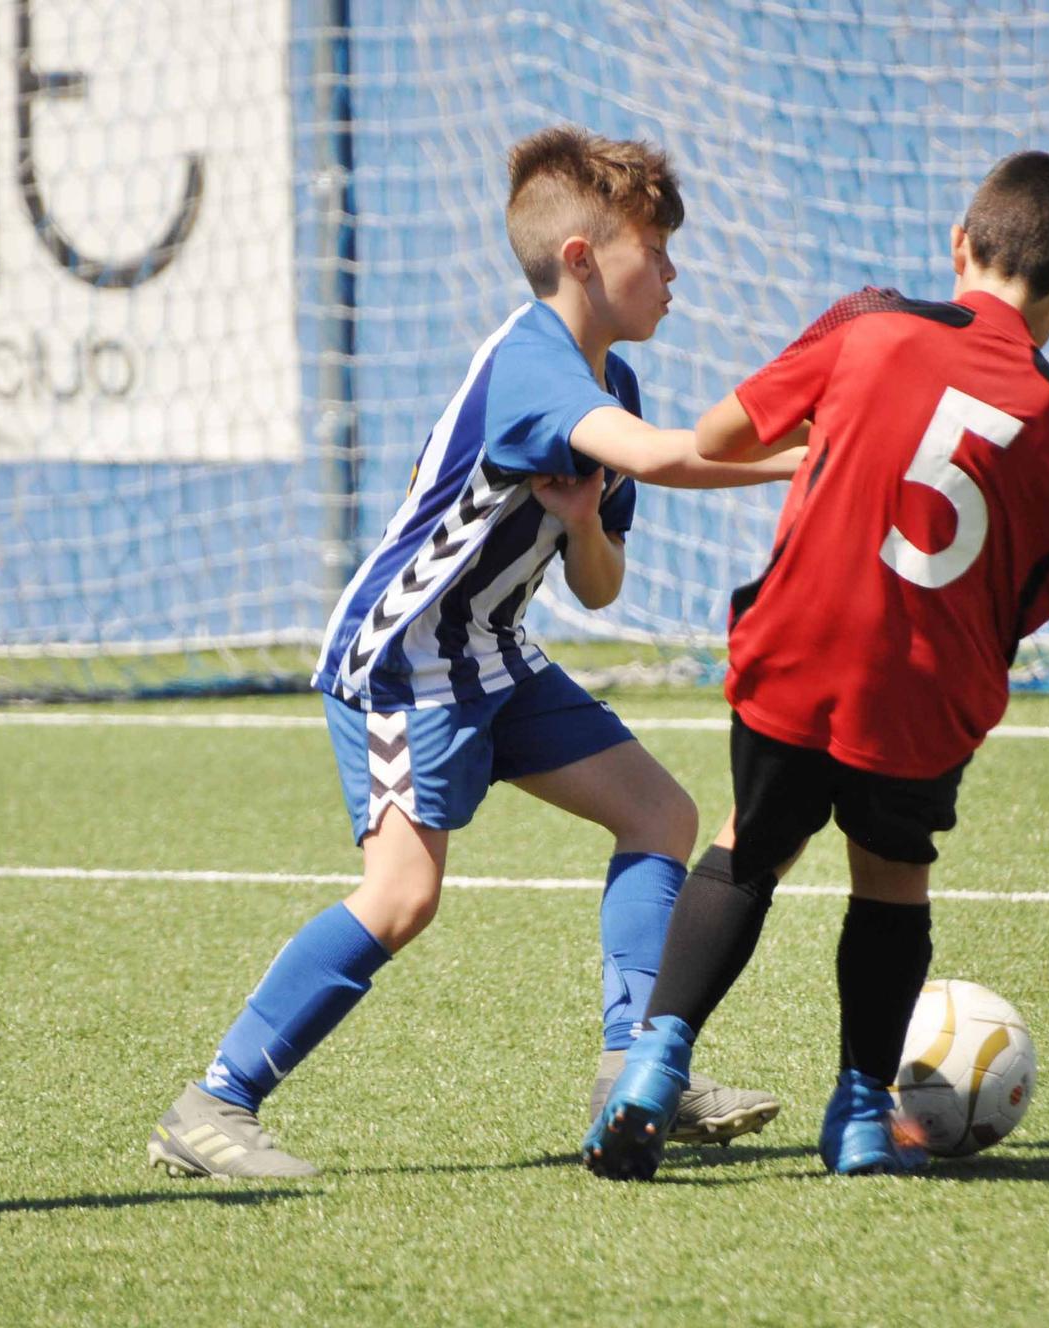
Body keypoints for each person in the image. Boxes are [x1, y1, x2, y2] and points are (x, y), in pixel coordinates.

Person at [148, 126, 801, 1179]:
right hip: (403, 662)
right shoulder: (531, 367)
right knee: (402, 895)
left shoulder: (608, 382)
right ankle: (212, 1100)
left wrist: (586, 522)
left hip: (489, 650)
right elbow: (677, 457)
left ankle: (636, 1068)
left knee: (659, 813)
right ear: (583, 257)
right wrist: (814, 459)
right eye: (656, 248)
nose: (674, 272)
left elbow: (597, 583)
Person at [584, 150, 1049, 1181]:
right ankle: (857, 1113)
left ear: (960, 246)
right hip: (923, 687)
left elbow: (720, 433)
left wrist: (834, 424)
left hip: (794, 649)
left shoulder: (869, 325)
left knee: (747, 845)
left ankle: (648, 1069)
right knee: (890, 876)